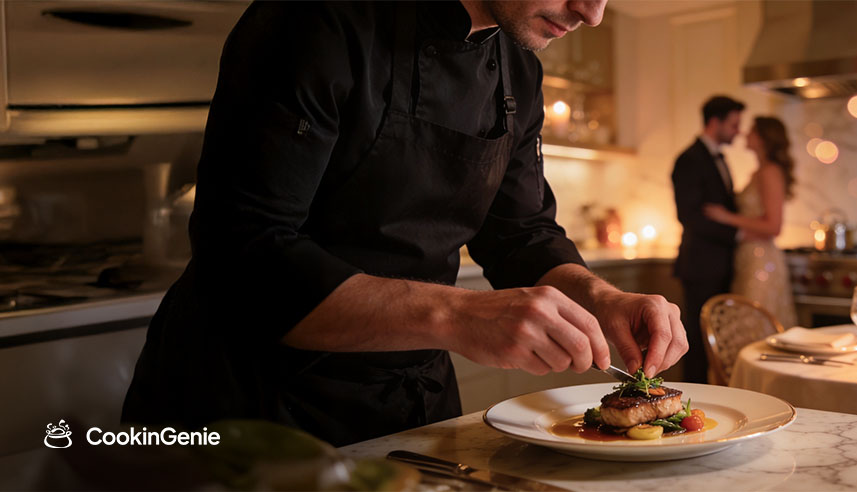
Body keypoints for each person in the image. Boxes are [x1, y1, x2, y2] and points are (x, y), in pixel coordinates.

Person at [121, 0, 687, 447]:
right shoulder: (314, 19)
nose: (593, 13)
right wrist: (456, 313)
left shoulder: (518, 71)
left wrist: (601, 297)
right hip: (251, 405)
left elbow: (523, 234)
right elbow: (245, 254)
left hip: (409, 402)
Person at [671, 95, 744, 384]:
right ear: (715, 122)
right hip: (701, 266)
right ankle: (692, 402)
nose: (738, 131)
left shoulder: (719, 158)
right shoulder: (688, 160)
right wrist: (738, 233)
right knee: (698, 343)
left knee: (717, 342)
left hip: (724, 265)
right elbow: (690, 216)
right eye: (734, 125)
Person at [703, 116, 798, 328]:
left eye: (752, 131)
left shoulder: (770, 172)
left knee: (753, 323)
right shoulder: (760, 172)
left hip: (761, 262)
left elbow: (774, 226)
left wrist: (727, 218)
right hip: (748, 257)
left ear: (764, 139)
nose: (746, 134)